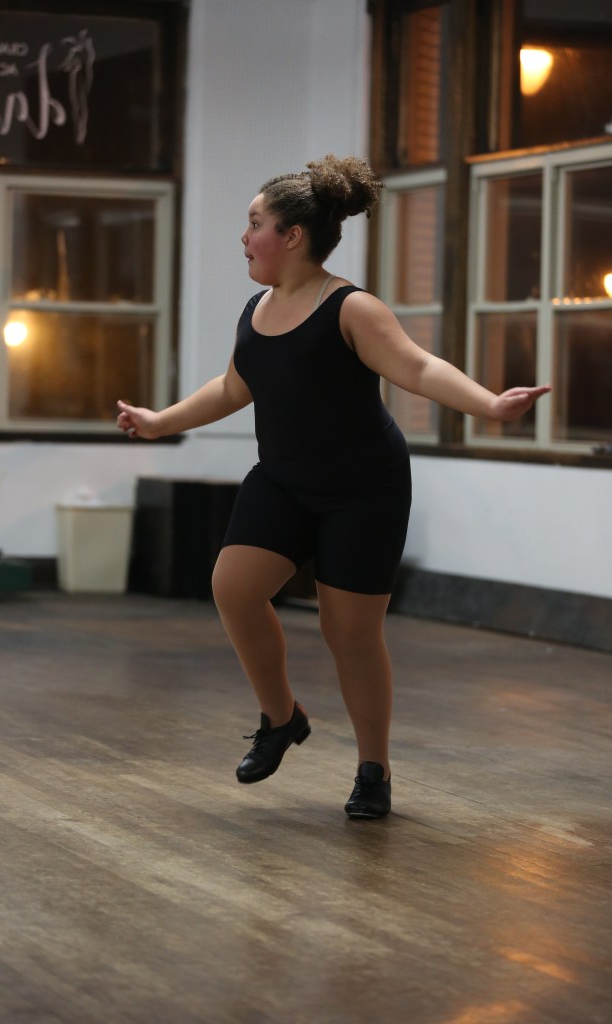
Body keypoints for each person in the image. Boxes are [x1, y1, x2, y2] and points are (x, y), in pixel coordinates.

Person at [116, 154, 550, 820]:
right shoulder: (257, 308)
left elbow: (417, 367)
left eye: (254, 223)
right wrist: (158, 422)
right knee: (234, 587)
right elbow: (233, 387)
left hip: (363, 490)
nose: (243, 237)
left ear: (291, 236)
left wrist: (488, 405)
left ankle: (373, 768)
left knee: (348, 632)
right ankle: (280, 717)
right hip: (283, 479)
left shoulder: (351, 308)